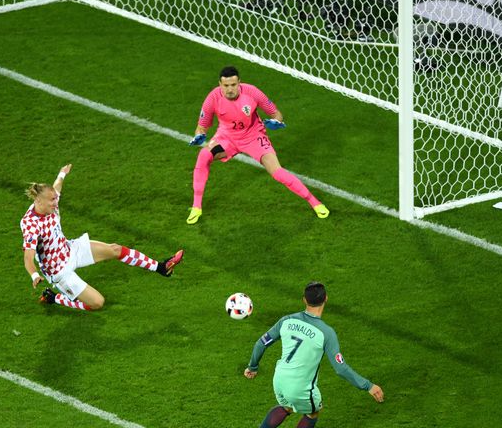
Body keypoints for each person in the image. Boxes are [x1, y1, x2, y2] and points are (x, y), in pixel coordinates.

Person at [20, 164, 184, 312]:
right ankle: (53, 297)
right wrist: (35, 275)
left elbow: (57, 188)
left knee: (116, 250)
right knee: (97, 303)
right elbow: (28, 258)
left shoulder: (49, 201)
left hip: (70, 249)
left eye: (56, 199)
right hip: (59, 271)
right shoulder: (30, 224)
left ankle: (161, 268)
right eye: (52, 200)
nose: (56, 203)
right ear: (38, 201)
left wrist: (62, 174)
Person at [186, 66, 329, 224]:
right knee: (204, 155)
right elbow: (202, 126)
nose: (230, 89)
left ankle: (315, 202)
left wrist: (276, 122)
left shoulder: (252, 92)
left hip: (254, 136)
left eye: (233, 85)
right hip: (227, 138)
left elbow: (276, 114)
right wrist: (199, 135)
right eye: (226, 86)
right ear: (220, 84)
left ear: (239, 82)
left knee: (278, 172)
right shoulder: (213, 98)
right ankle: (196, 207)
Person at [244, 281, 384, 427]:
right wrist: (368, 386)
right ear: (326, 299)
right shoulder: (326, 333)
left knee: (287, 407)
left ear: (304, 299)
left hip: (279, 379)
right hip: (299, 386)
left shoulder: (286, 320)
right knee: (313, 412)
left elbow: (261, 343)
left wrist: (252, 367)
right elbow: (340, 368)